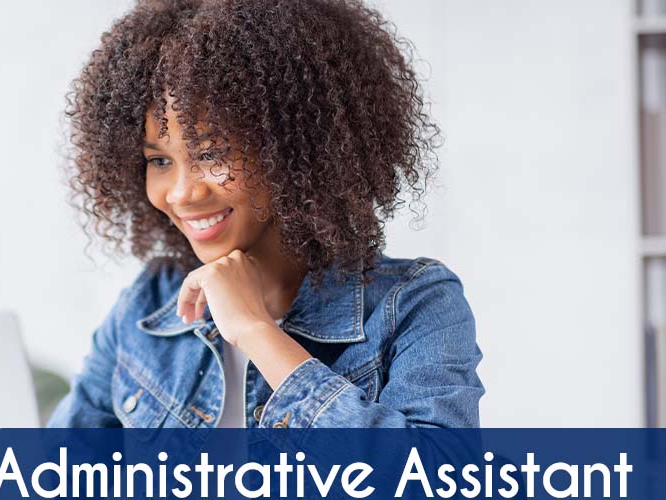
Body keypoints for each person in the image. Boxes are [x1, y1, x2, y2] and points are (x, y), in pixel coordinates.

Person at [47, 0, 484, 430]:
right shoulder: (149, 303)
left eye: (211, 154)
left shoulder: (412, 306)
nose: (181, 193)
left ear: (295, 150)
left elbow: (431, 493)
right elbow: (56, 483)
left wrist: (256, 331)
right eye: (159, 162)